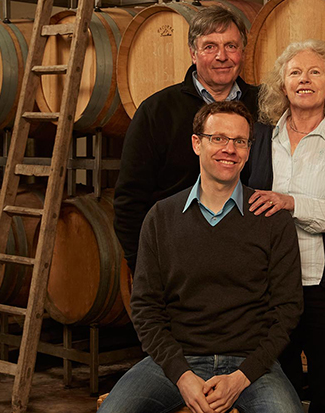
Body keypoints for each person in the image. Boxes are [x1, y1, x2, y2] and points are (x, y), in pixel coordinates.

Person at [99, 101, 303, 413]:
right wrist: (181, 376)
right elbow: (145, 308)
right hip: (175, 360)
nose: (229, 149)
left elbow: (288, 309)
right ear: (197, 143)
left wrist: (241, 377)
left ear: (249, 150)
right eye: (218, 138)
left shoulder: (272, 219)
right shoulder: (161, 216)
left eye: (240, 141)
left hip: (251, 365)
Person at [243, 40, 325, 413]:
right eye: (295, 72)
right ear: (282, 84)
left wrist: (291, 203)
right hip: (269, 289)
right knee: (277, 391)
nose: (304, 80)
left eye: (315, 72)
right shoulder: (260, 136)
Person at [114, 5, 260, 273]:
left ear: (243, 52)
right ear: (193, 53)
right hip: (175, 261)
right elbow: (129, 201)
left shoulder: (266, 107)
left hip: (249, 260)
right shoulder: (157, 110)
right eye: (210, 47)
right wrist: (143, 266)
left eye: (231, 46)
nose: (222, 56)